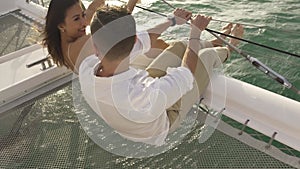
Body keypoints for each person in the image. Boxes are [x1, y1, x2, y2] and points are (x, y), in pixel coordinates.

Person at [78, 5, 244, 145]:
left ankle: (218, 41)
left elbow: (140, 41)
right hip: (162, 122)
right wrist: (195, 32)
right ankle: (229, 47)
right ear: (134, 39)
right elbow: (186, 74)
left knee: (179, 46)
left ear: (94, 43)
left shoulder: (87, 67)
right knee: (206, 56)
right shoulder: (143, 96)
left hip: (140, 98)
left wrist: (172, 21)